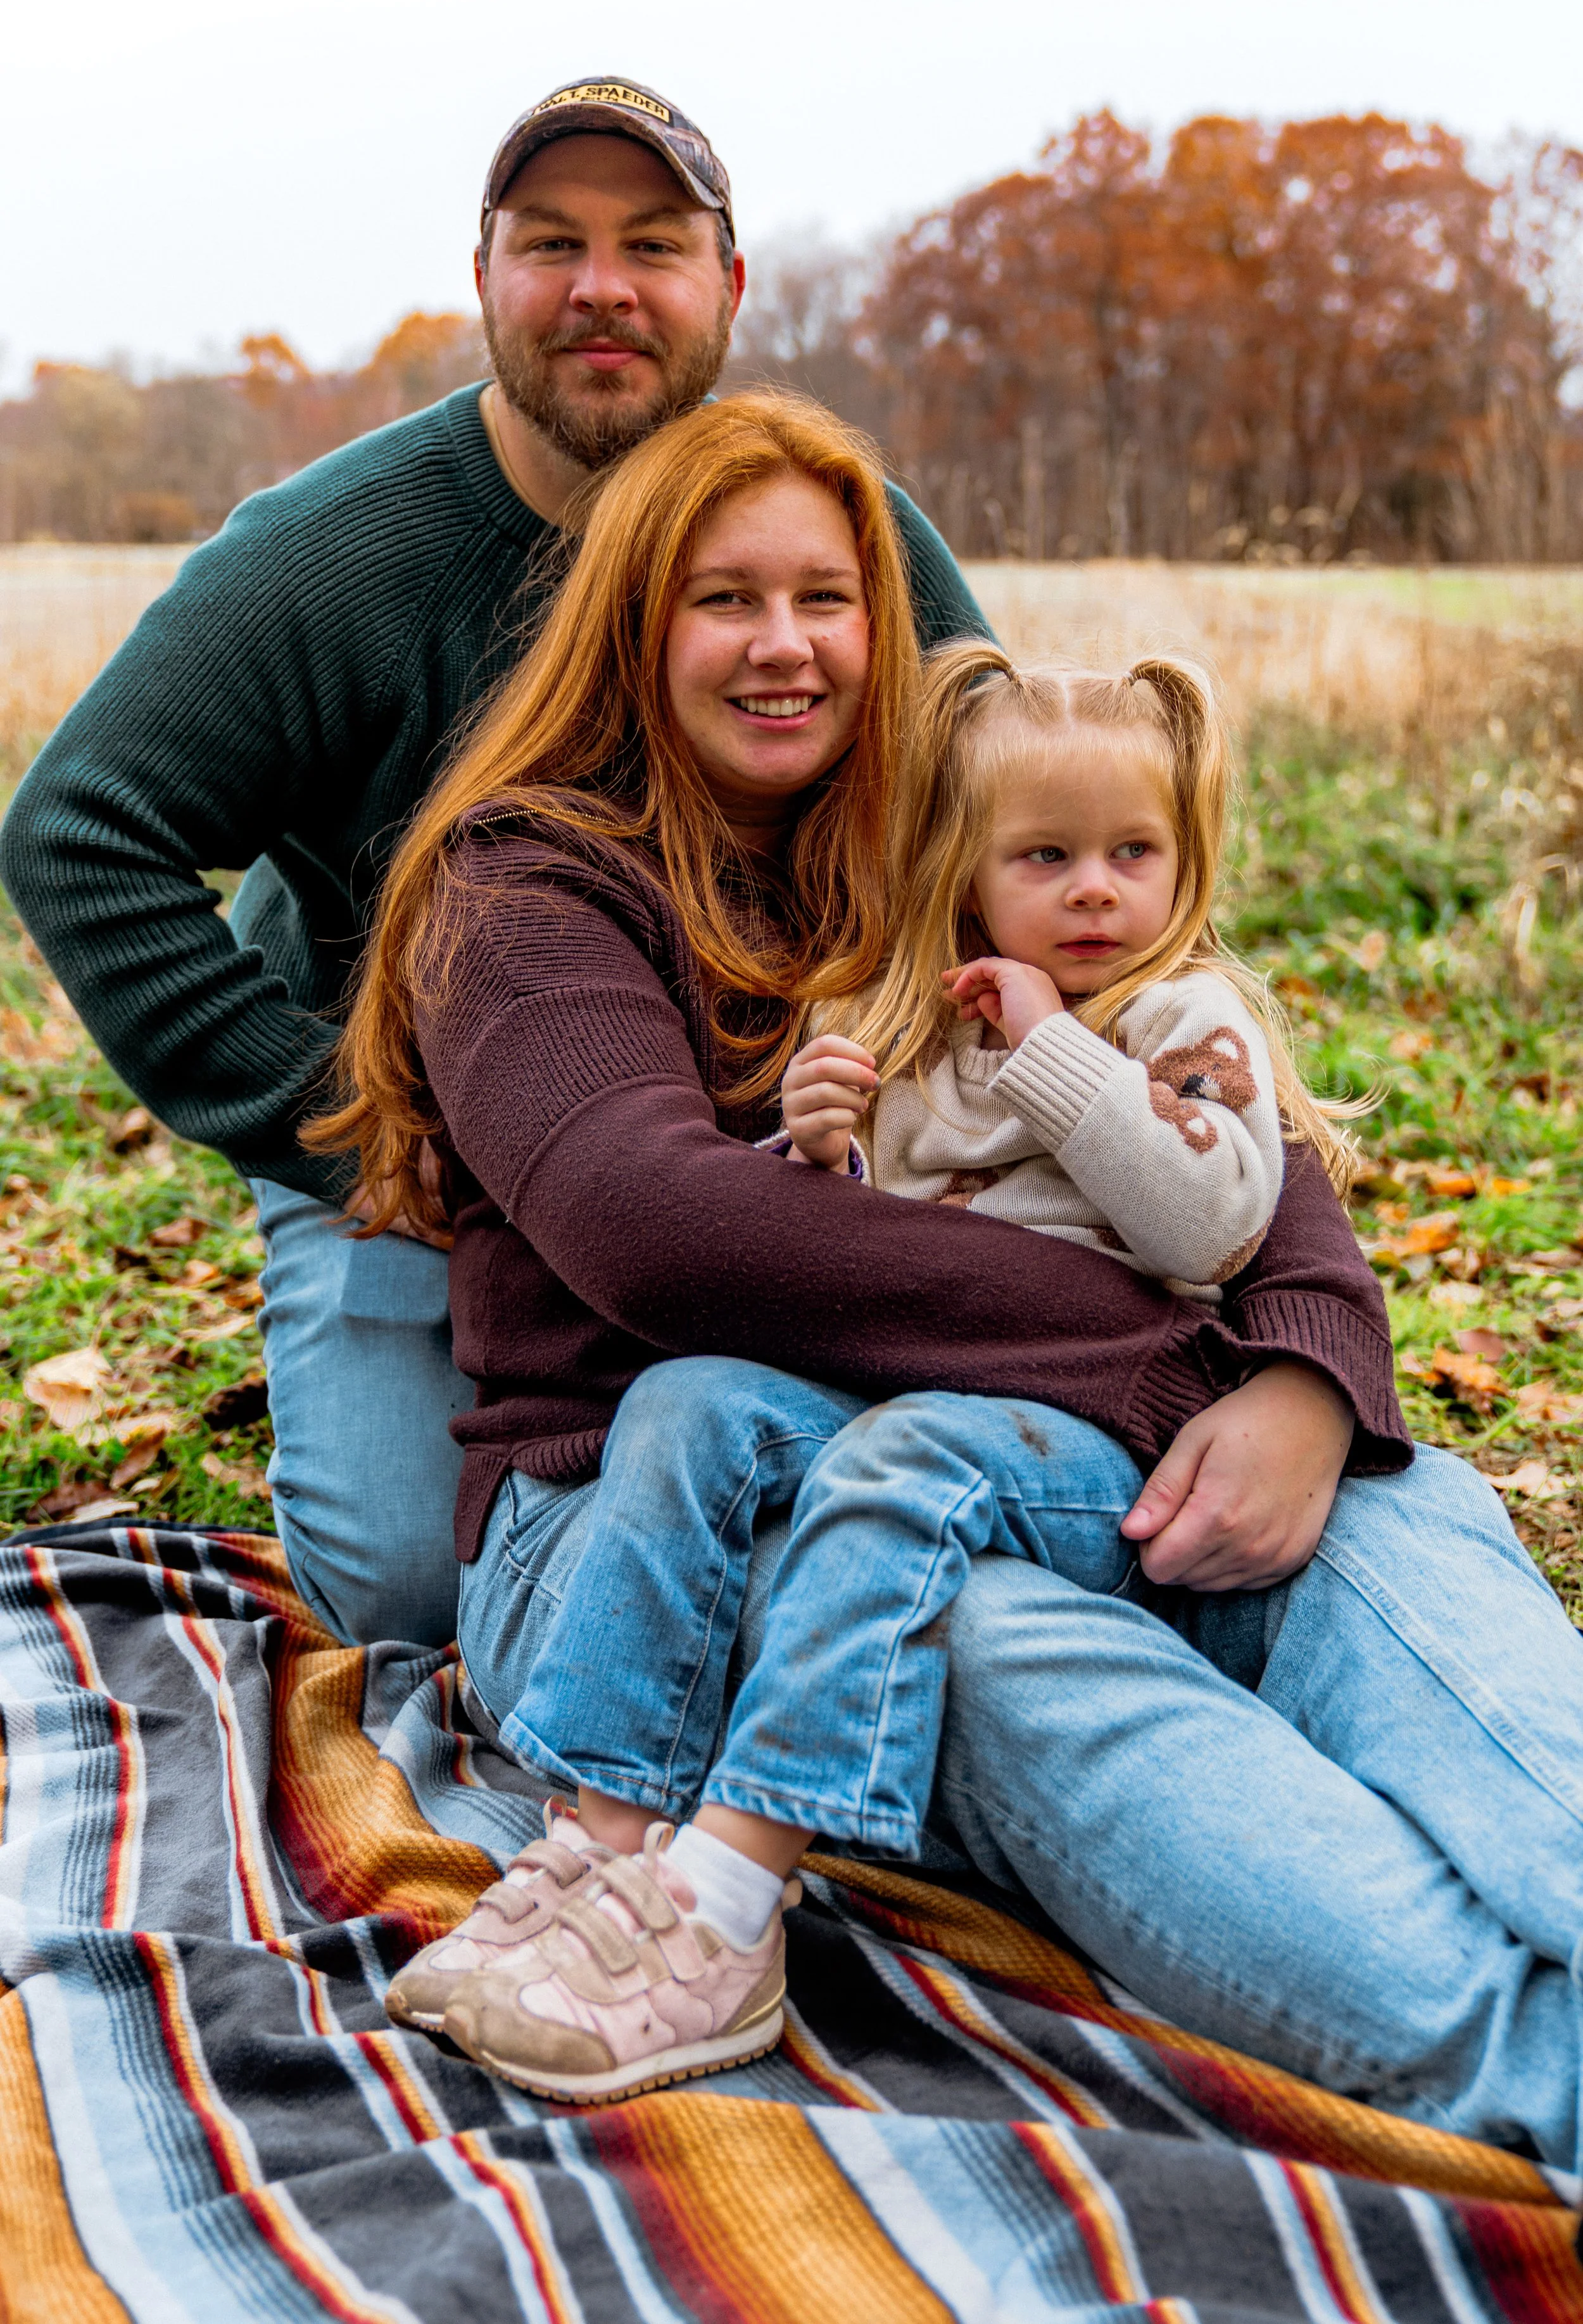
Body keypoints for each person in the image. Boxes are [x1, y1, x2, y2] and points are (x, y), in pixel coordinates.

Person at [315, 391, 1583, 2159]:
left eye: (825, 597)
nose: (783, 645)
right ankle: (1544, 2080)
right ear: (628, 620)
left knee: (1388, 1515)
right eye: (722, 597)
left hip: (1028, 1438)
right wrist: (1166, 1370)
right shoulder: (522, 888)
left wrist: (1299, 1368)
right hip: (654, 1511)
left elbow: (1214, 1096)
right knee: (971, 1639)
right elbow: (661, 1229)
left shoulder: (956, 836)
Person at [0, 77, 988, 1647]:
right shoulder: (328, 557)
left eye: (652, 244)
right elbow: (79, 831)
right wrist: (344, 1119)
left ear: (726, 289)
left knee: (919, 1502)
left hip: (756, 1124)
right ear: (482, 281)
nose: (602, 286)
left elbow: (997, 808)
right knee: (411, 1589)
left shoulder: (829, 543)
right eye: (552, 243)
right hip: (423, 1152)